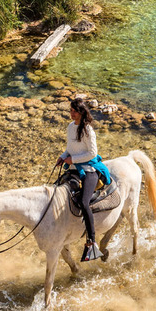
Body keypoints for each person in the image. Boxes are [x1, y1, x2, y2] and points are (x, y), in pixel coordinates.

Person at [56, 97, 111, 262]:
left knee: (84, 201)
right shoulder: (70, 127)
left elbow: (92, 153)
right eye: (70, 111)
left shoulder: (88, 130)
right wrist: (63, 157)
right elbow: (70, 148)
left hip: (89, 168)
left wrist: (72, 160)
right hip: (74, 166)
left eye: (73, 111)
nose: (71, 114)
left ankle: (91, 241)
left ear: (80, 112)